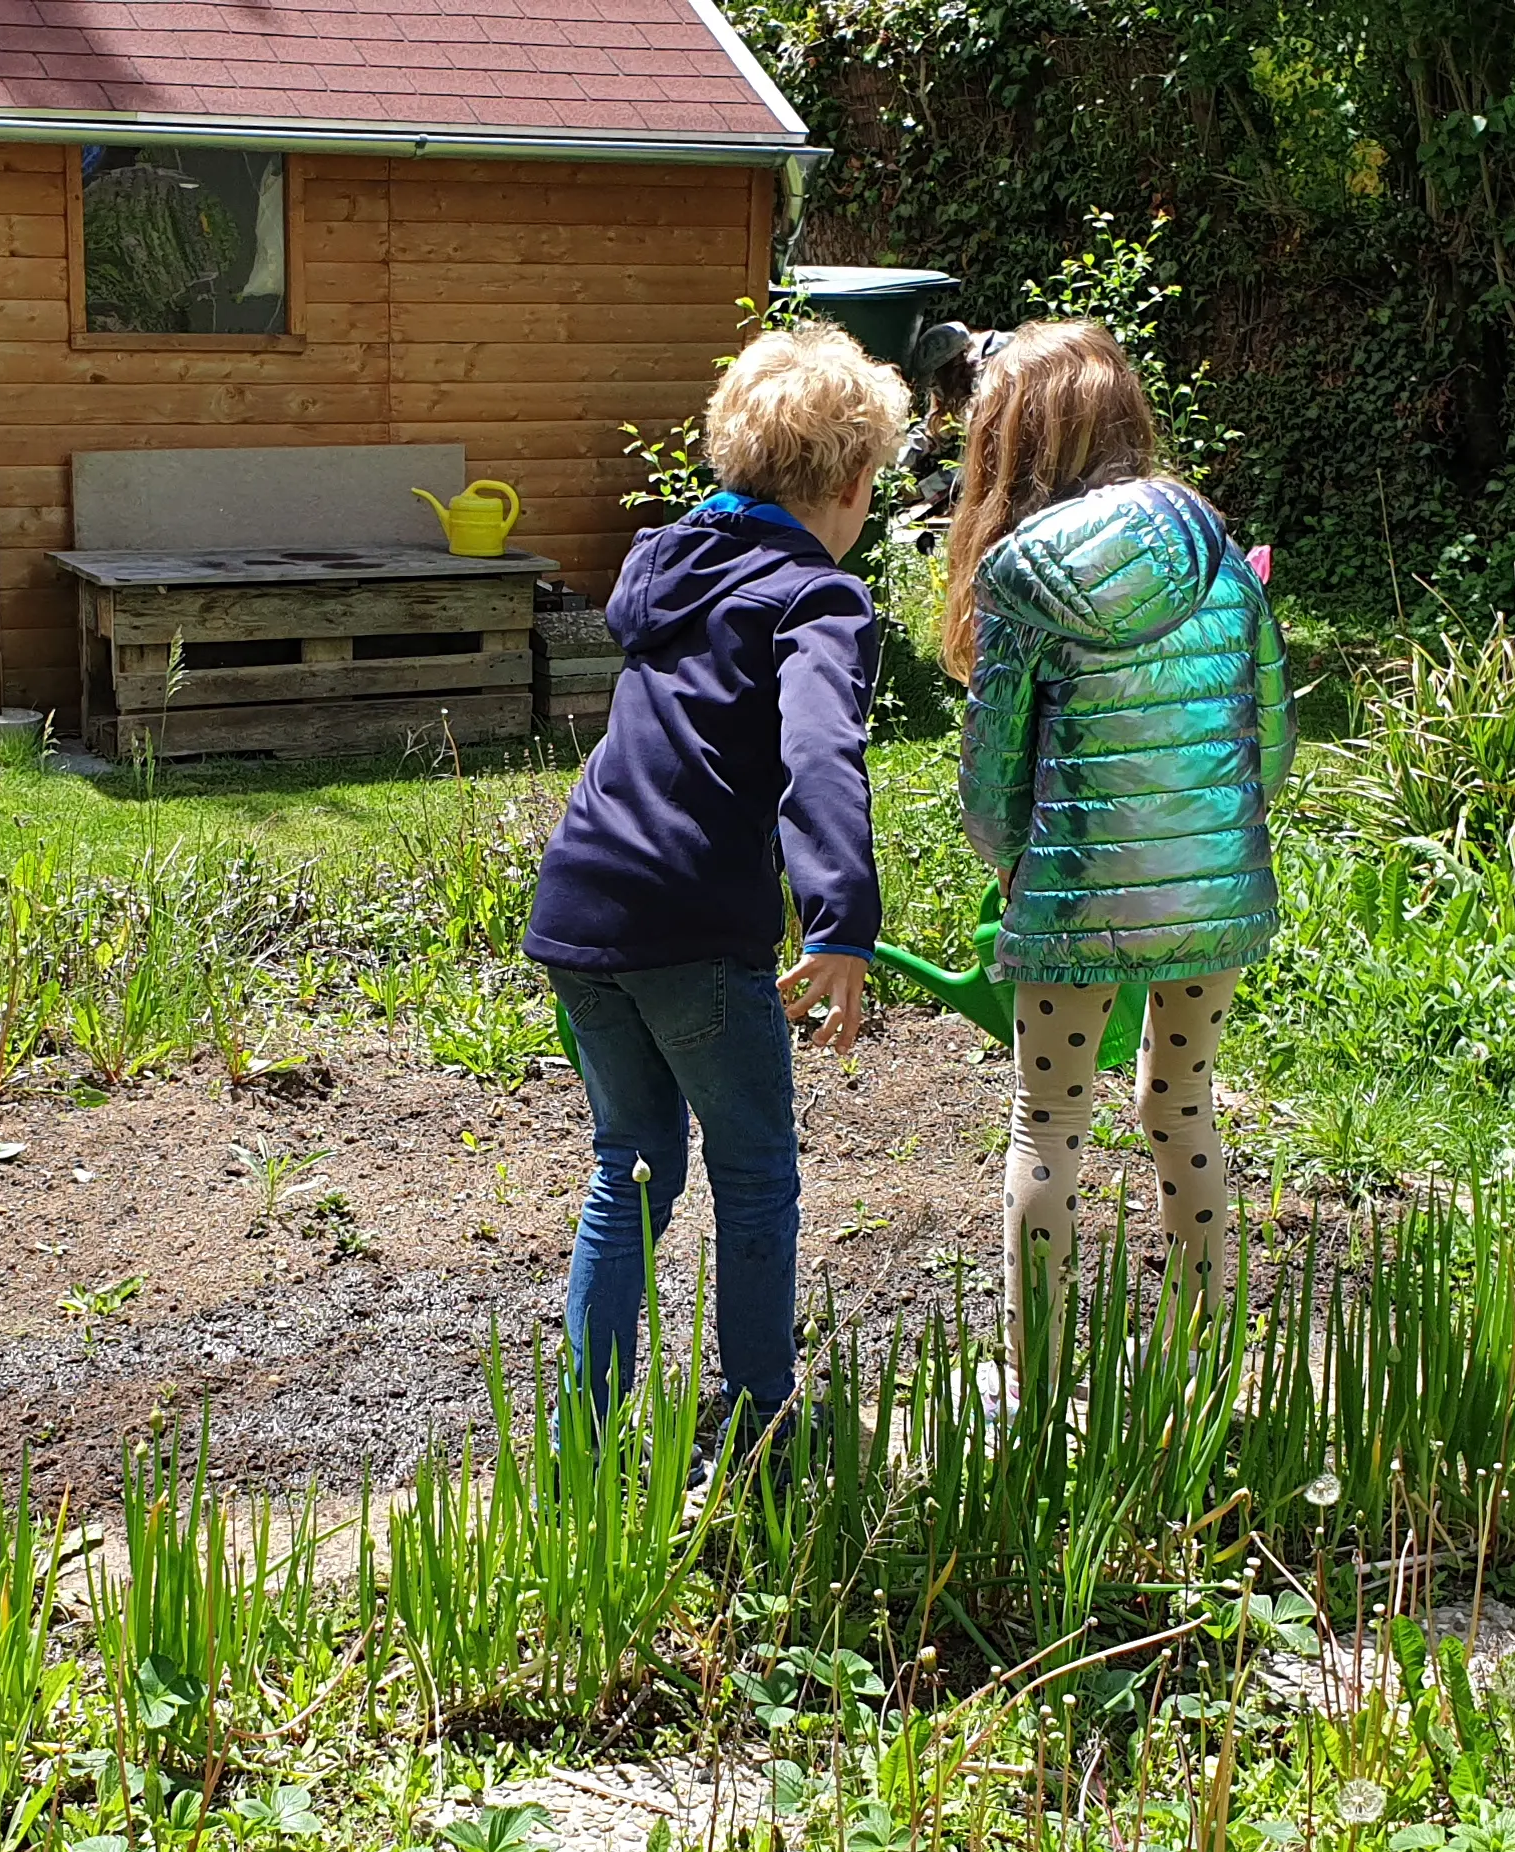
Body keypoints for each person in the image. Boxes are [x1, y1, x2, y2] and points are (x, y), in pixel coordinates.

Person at [523, 322, 912, 1427]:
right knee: (753, 1176)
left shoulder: (668, 568)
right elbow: (820, 756)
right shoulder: (816, 597)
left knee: (630, 1169)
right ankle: (756, 1419)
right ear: (847, 481)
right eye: (875, 481)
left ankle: (584, 1438)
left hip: (582, 905)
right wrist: (842, 922)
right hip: (693, 925)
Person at [945, 320, 1290, 1323]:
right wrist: (1226, 841)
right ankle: (1207, 1348)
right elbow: (1273, 736)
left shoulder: (1020, 577)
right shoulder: (1220, 552)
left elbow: (991, 773)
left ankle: (1040, 1378)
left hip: (1076, 899)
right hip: (1214, 893)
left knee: (1047, 1124)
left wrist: (1009, 865)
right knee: (1181, 1106)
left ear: (1014, 439)